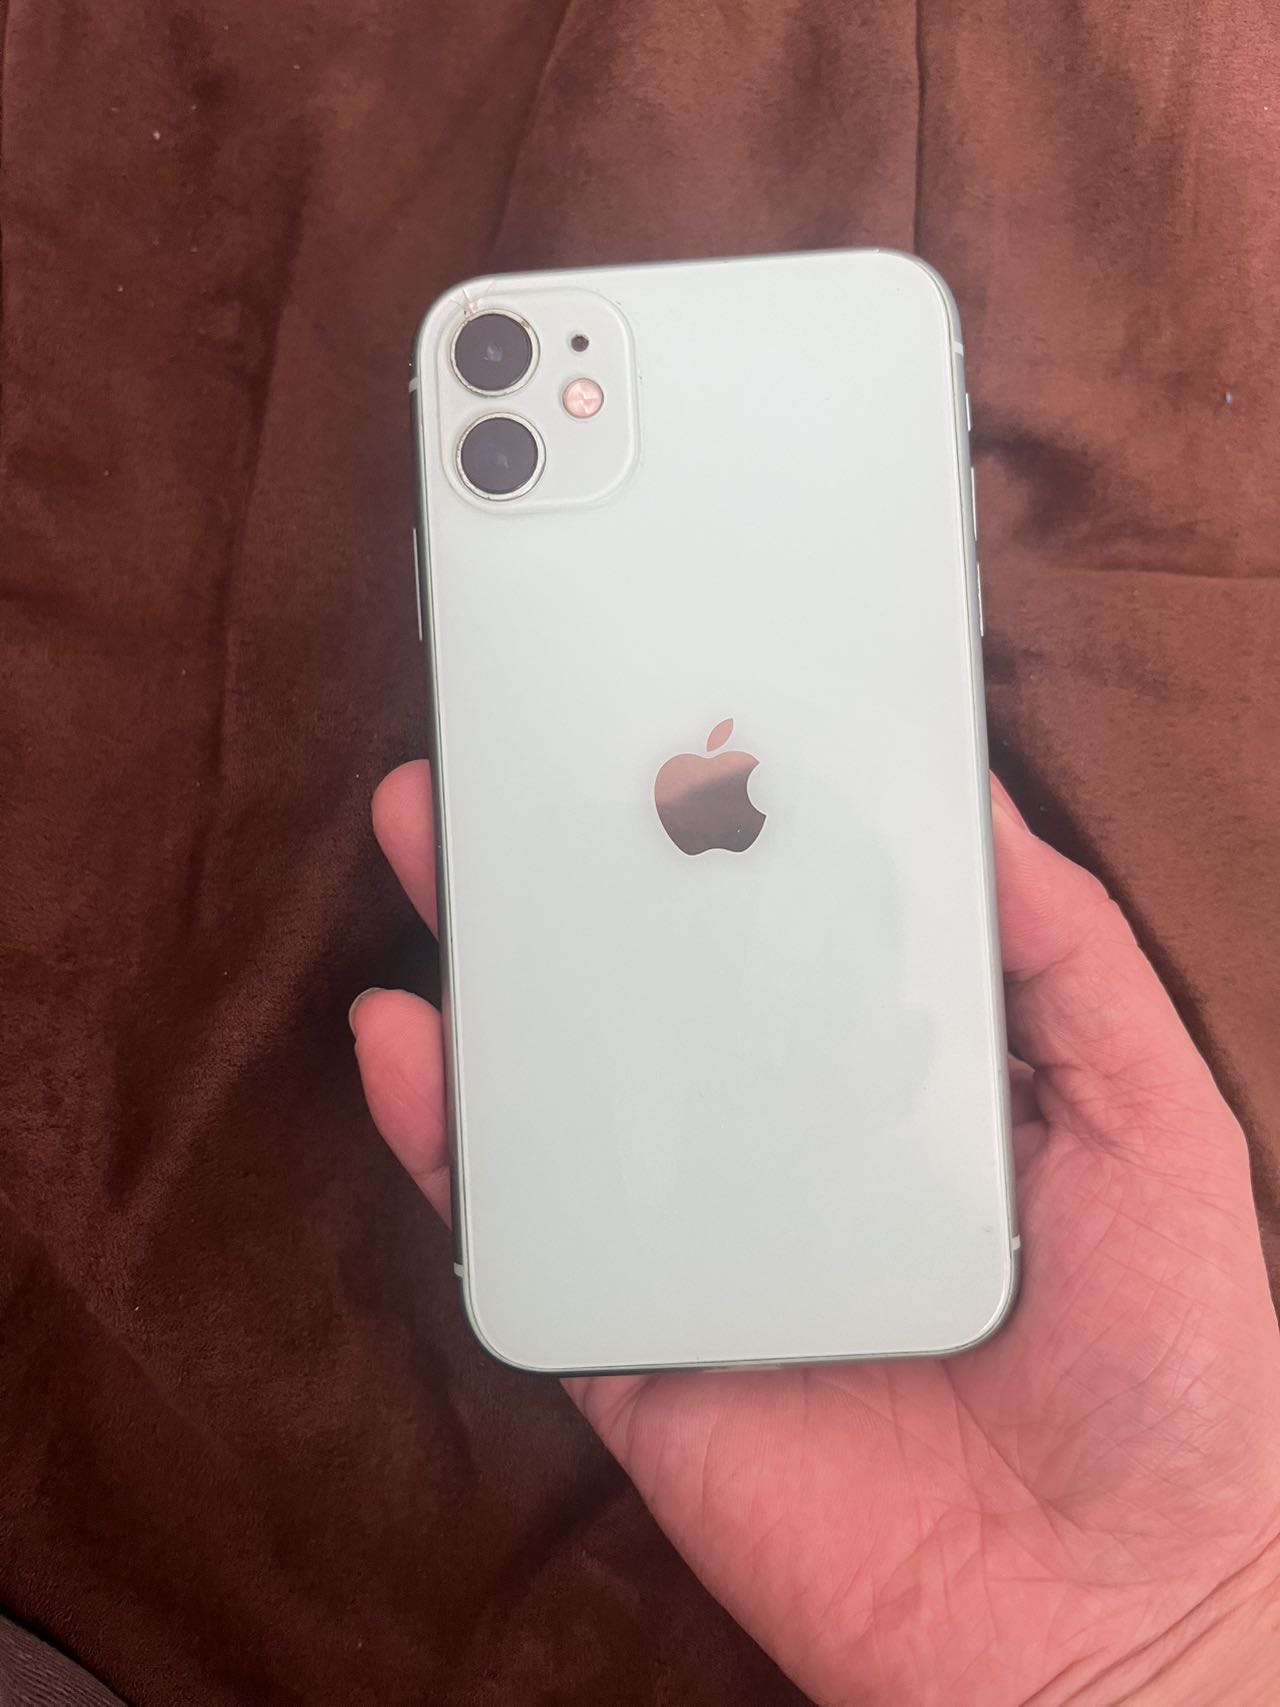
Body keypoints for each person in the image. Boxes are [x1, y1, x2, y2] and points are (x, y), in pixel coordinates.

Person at [352, 763, 1280, 1707]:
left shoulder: (945, 1256)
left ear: (911, 1049)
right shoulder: (615, 1198)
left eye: (820, 1002)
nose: (765, 1041)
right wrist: (1178, 1642)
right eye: (732, 990)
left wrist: (1190, 1627)